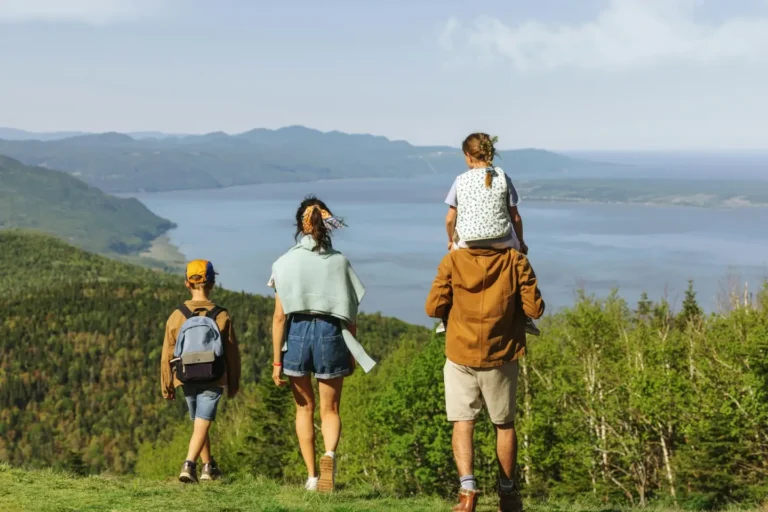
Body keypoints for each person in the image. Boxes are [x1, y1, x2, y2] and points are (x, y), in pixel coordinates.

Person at [268, 196, 376, 493]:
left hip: (297, 333)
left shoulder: (284, 262)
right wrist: (352, 350)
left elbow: (279, 317)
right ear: (326, 224)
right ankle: (329, 454)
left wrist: (277, 360)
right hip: (331, 333)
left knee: (304, 409)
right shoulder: (340, 262)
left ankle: (313, 477)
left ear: (299, 226)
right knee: (330, 409)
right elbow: (350, 313)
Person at [425, 245, 545, 512]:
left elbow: (433, 307)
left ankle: (467, 493)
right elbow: (535, 309)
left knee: (463, 422)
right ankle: (508, 494)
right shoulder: (515, 260)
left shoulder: (453, 259)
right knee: (504, 424)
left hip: (460, 352)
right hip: (501, 354)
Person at [441, 132, 539, 336]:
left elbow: (450, 219)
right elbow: (516, 217)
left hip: (467, 241)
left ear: (468, 156)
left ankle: (446, 315)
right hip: (502, 240)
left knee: (449, 270)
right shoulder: (503, 177)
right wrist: (521, 243)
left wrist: (451, 241)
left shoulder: (460, 181)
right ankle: (526, 315)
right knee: (520, 267)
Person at [160, 259, 242, 483]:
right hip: (213, 374)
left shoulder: (177, 316)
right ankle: (189, 464)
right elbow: (232, 354)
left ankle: (208, 467)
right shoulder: (221, 316)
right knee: (202, 421)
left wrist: (167, 383)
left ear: (187, 283)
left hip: (186, 375)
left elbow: (167, 353)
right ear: (213, 283)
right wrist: (233, 382)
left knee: (199, 421)